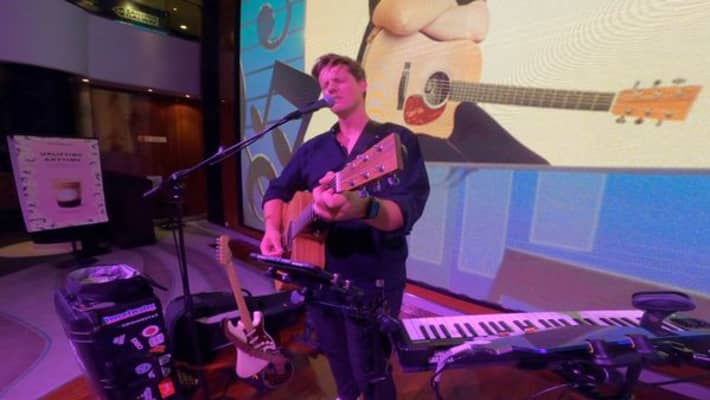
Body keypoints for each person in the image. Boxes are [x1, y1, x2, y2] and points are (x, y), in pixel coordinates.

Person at [259, 53, 430, 400]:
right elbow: (276, 191)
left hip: (372, 280)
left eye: (338, 80)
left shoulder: (394, 140)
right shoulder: (313, 149)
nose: (330, 88)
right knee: (337, 360)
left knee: (372, 369)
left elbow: (407, 209)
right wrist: (273, 230)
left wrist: (364, 207)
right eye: (324, 84)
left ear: (362, 84)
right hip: (320, 279)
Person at [360, 0, 549, 164]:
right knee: (457, 169)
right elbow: (401, 18)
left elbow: (477, 27)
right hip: (385, 121)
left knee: (533, 168)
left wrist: (421, 17)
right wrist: (451, 5)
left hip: (439, 115)